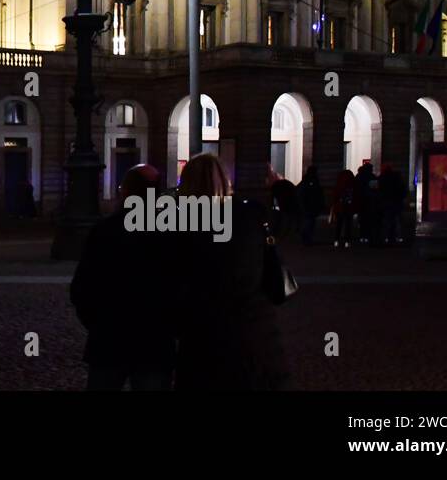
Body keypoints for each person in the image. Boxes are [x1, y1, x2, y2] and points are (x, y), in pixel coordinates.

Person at [174, 153, 288, 391]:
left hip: (202, 337)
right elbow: (270, 270)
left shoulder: (178, 222)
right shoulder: (252, 214)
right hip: (254, 333)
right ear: (225, 180)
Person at [70, 164, 175, 389]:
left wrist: (97, 324)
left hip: (109, 339)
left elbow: (82, 288)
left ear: (125, 191)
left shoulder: (105, 230)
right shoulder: (170, 231)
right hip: (155, 341)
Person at [378, 163, 407, 245]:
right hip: (397, 201)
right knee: (397, 220)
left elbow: (380, 190)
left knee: (387, 220)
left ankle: (387, 237)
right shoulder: (397, 177)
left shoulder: (382, 178)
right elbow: (403, 189)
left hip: (387, 202)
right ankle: (398, 237)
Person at [298, 167, 325, 246]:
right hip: (309, 205)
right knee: (309, 222)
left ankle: (307, 239)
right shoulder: (309, 181)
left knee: (310, 222)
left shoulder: (311, 180)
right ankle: (306, 239)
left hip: (311, 205)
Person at [330, 169, 357, 249]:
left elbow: (335, 196)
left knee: (339, 224)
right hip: (349, 207)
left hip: (340, 207)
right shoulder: (352, 185)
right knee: (348, 225)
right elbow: (355, 196)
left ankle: (336, 240)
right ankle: (347, 241)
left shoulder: (339, 184)